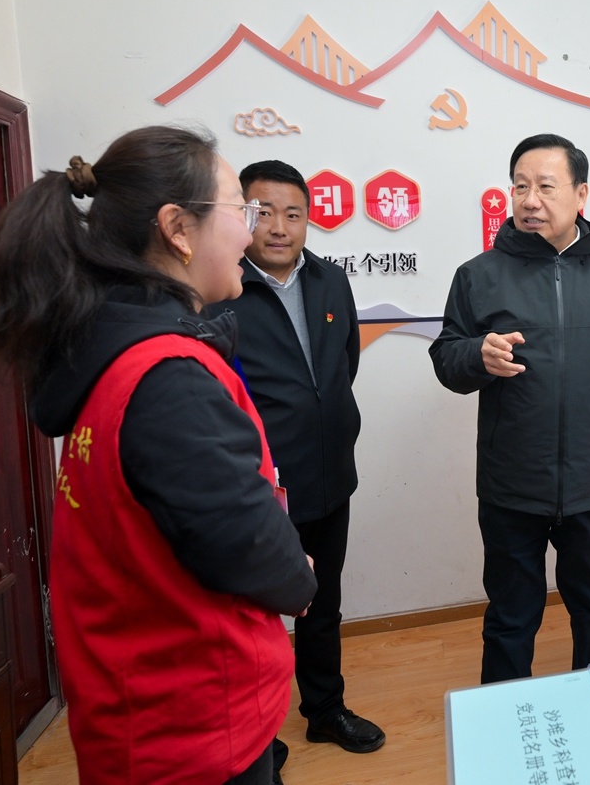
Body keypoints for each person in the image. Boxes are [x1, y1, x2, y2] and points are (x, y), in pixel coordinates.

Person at [0, 126, 317, 785]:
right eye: (240, 209)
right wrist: (295, 575)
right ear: (178, 229)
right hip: (191, 728)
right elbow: (239, 539)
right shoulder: (168, 380)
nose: (251, 232)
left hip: (145, 708)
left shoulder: (117, 352)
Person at [429, 133, 590, 683]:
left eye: (545, 187)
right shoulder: (479, 274)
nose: (530, 200)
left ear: (581, 195)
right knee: (510, 617)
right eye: (520, 186)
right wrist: (476, 355)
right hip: (513, 483)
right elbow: (446, 357)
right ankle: (507, 718)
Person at [205, 160, 383, 778]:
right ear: (243, 216)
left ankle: (325, 710)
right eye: (264, 213)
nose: (279, 227)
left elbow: (343, 366)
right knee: (250, 619)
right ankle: (258, 744)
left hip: (329, 473)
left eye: (294, 214)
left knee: (322, 603)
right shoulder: (222, 287)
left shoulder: (331, 280)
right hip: (256, 490)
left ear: (309, 220)